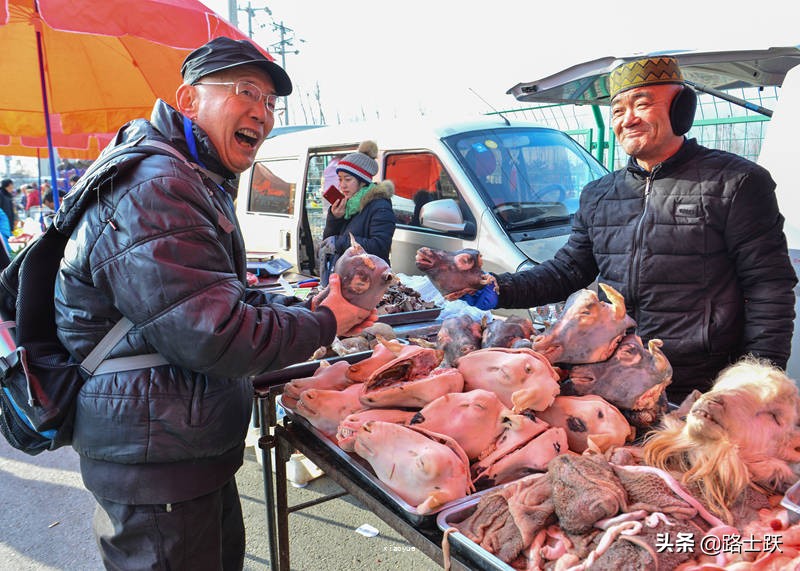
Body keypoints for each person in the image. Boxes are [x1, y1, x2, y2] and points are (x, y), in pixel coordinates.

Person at [53, 36, 376, 571]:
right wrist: (324, 322)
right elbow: (212, 333)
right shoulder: (157, 186)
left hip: (180, 446)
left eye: (271, 104)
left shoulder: (188, 176)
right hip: (156, 460)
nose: (262, 114)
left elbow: (212, 295)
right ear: (188, 100)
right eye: (246, 93)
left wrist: (307, 312)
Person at [463, 56, 797, 404]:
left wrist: (759, 377)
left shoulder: (736, 182)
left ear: (682, 109)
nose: (628, 119)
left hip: (700, 381)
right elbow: (567, 270)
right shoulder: (599, 194)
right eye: (618, 111)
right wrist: (498, 288)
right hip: (617, 372)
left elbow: (768, 285)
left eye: (642, 104)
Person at [320, 140, 396, 284]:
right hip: (348, 279)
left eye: (348, 179)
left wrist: (341, 242)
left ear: (362, 181)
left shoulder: (380, 206)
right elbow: (328, 243)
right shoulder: (348, 206)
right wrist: (334, 218)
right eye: (340, 179)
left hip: (371, 282)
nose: (342, 185)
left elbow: (380, 247)